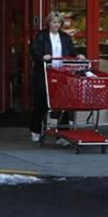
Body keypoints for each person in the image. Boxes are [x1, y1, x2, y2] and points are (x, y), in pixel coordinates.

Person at [29, 11, 82, 142]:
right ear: (49, 23)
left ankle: (63, 133)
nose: (56, 25)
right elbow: (35, 50)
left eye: (58, 22)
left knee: (62, 102)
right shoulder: (42, 36)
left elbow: (71, 51)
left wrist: (78, 56)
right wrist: (42, 57)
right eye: (54, 22)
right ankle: (35, 129)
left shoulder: (65, 37)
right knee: (42, 102)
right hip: (45, 73)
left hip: (61, 73)